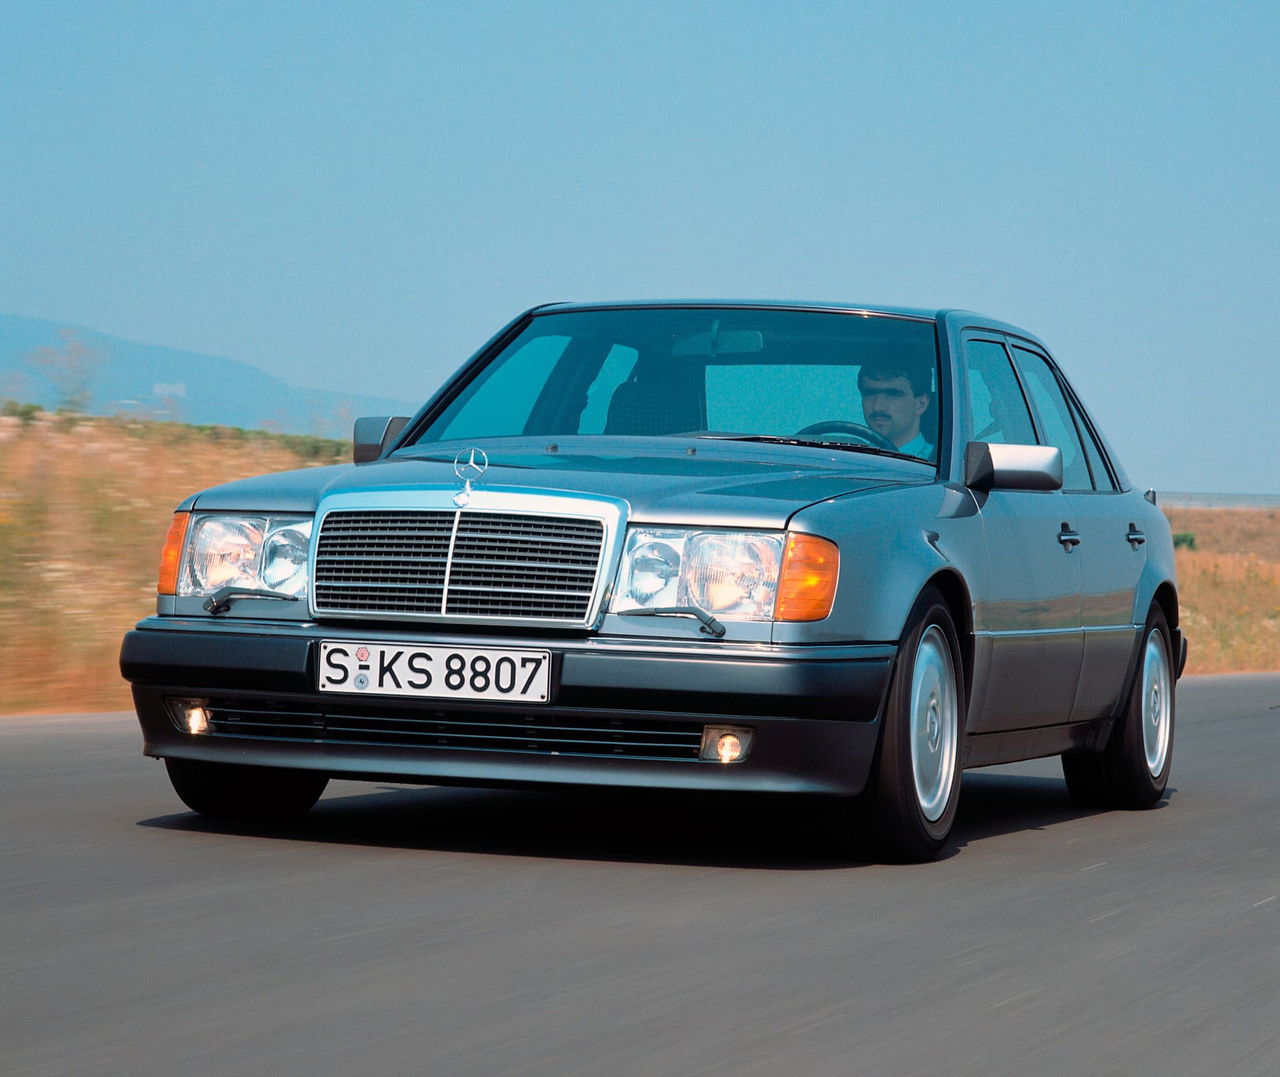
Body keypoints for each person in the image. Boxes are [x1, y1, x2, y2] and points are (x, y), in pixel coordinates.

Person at [857, 361, 935, 460]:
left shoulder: (946, 463)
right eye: (870, 393)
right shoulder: (844, 461)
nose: (877, 407)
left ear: (921, 404)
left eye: (892, 394)